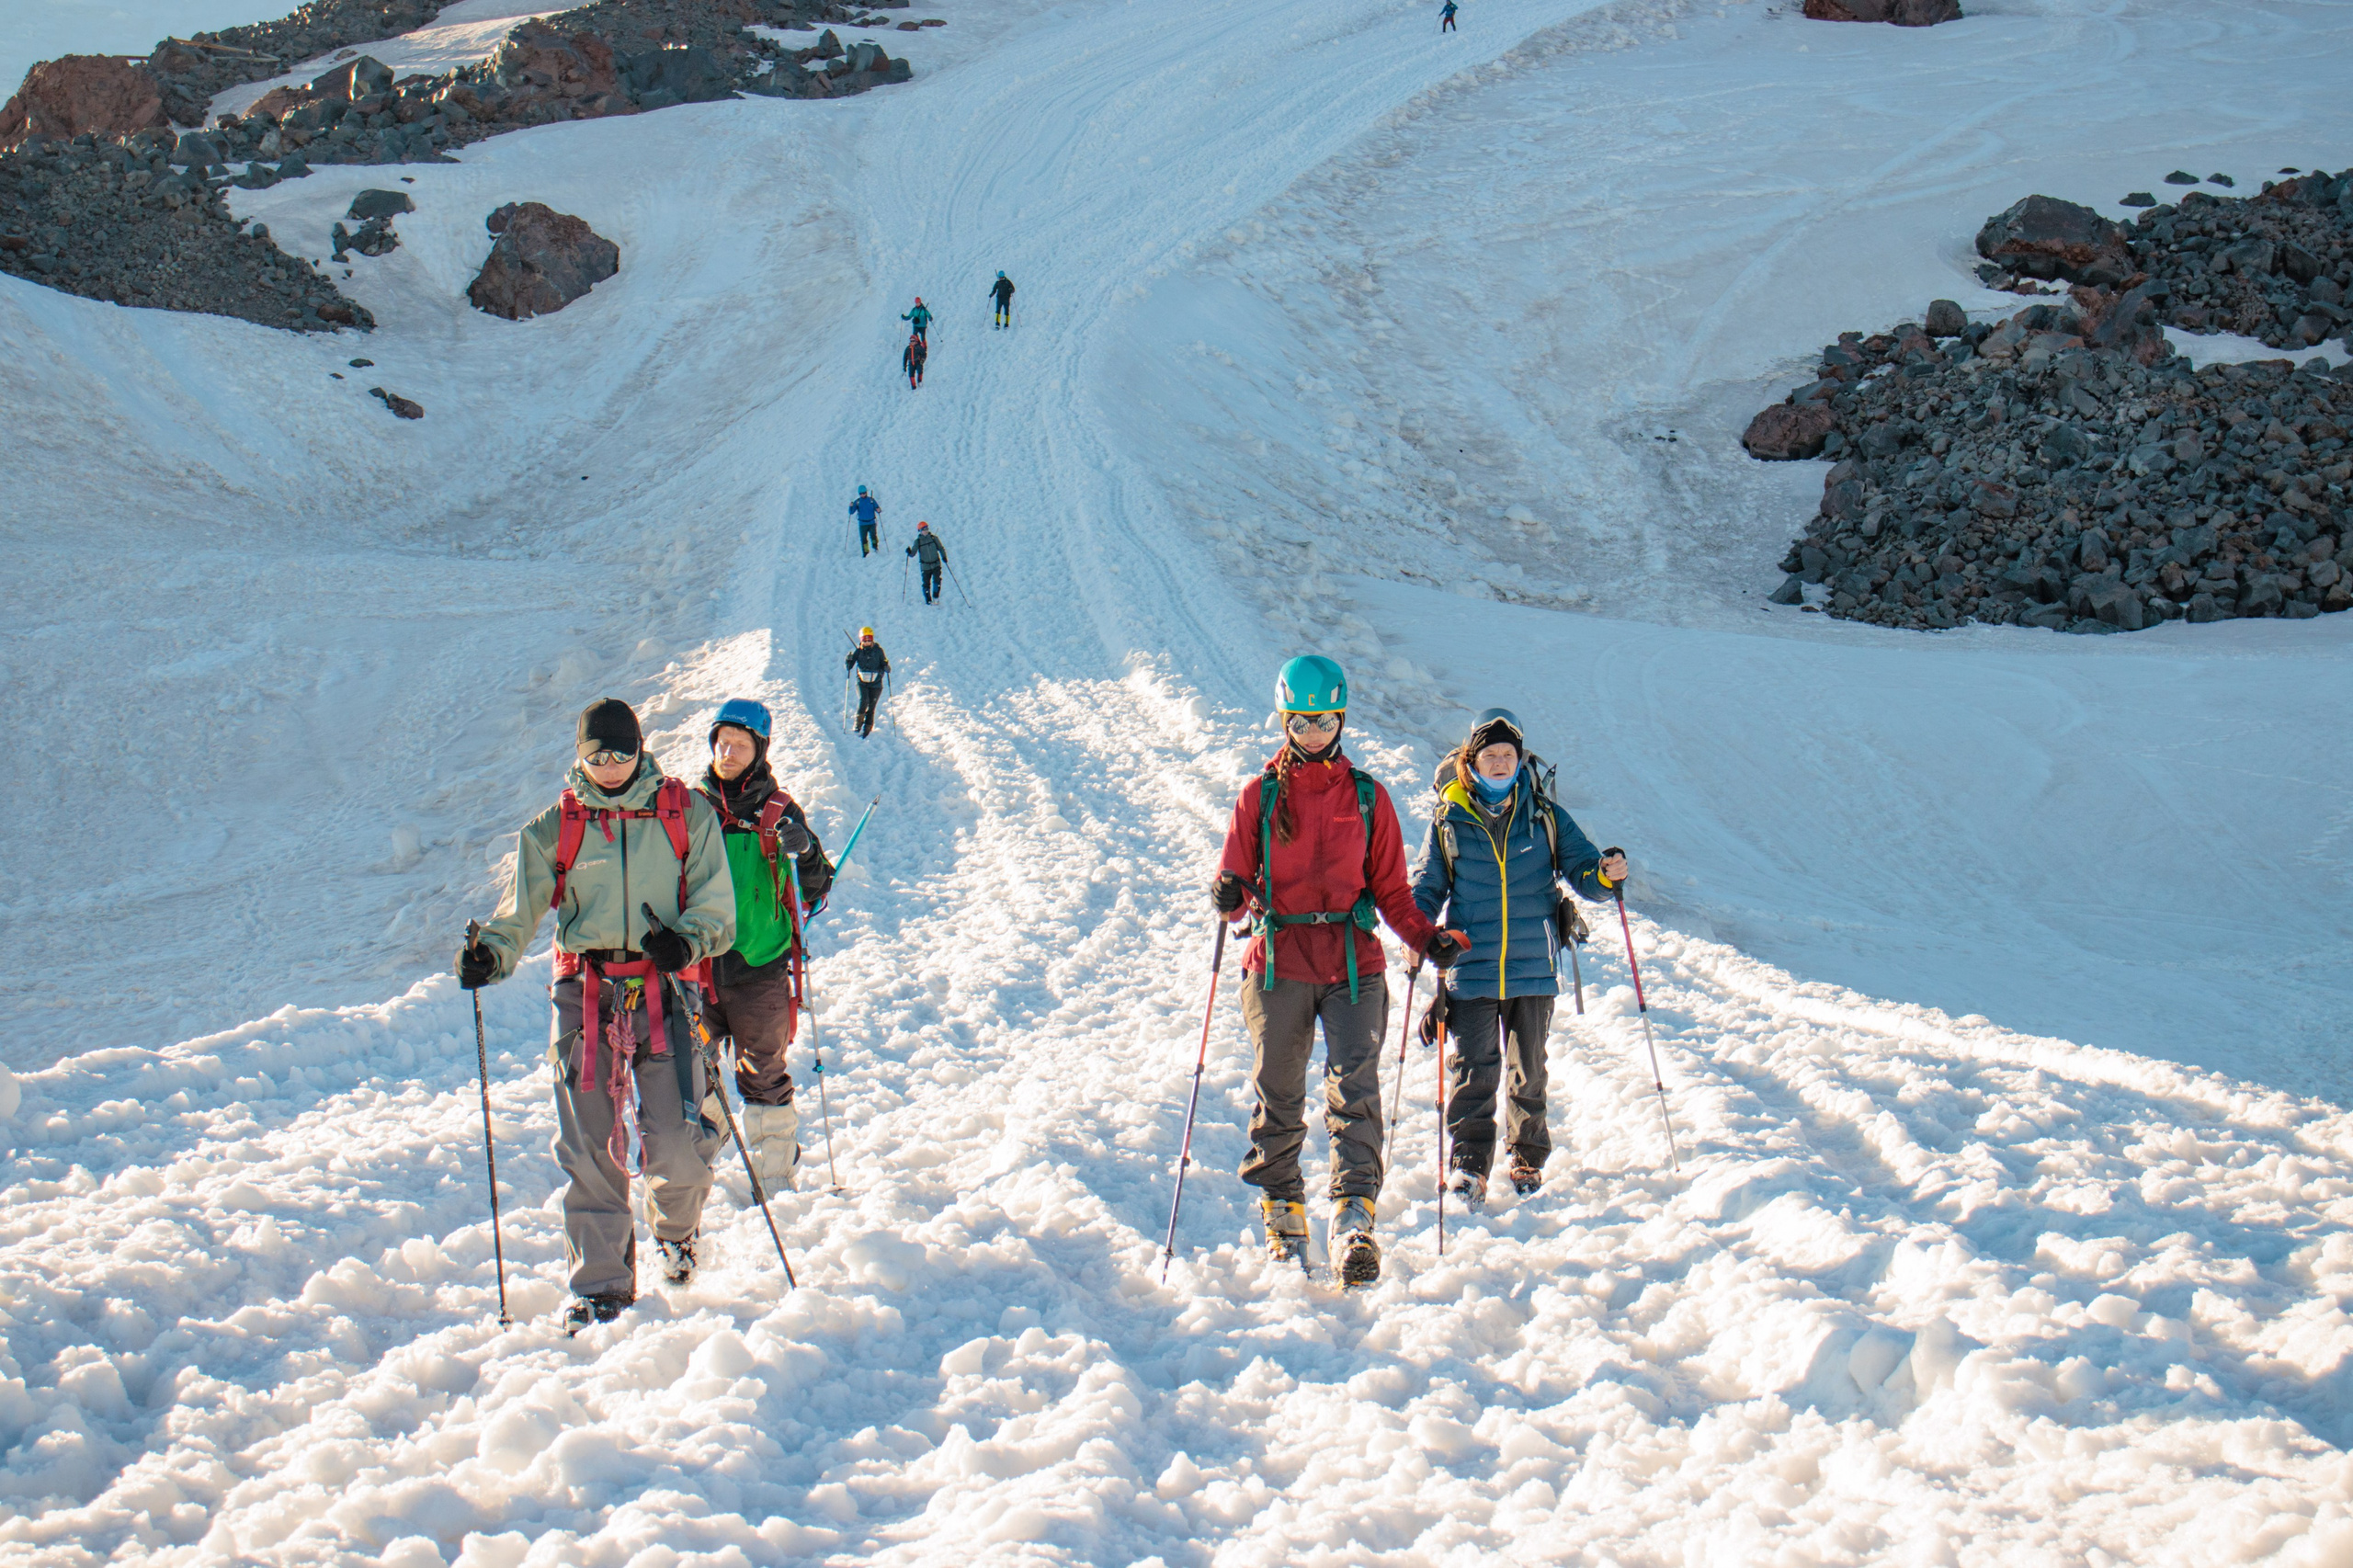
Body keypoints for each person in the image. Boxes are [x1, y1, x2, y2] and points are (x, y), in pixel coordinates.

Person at [456, 699, 734, 1333]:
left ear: (641, 748)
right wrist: (488, 956)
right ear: (580, 756)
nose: (609, 768)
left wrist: (688, 940)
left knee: (679, 1140)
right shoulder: (557, 827)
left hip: (666, 986)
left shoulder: (685, 813)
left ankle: (677, 1231)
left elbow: (718, 905)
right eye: (596, 756)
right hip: (586, 992)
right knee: (590, 1145)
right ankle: (602, 1285)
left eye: (620, 753)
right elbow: (518, 914)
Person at [1211, 655, 1463, 1287]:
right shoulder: (1259, 796)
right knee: (1280, 1086)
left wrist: (1428, 941)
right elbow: (1237, 888)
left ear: (1342, 718)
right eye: (1302, 721)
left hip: (1354, 963)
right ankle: (1284, 1207)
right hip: (1278, 962)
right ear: (1285, 721)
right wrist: (1228, 896)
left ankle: (1354, 1214)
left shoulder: (1368, 797)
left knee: (1356, 1088)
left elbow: (1392, 893)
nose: (1315, 732)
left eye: (1325, 720)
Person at [1411, 708, 1624, 1202]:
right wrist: (1416, 930)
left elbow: (1584, 870)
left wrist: (1606, 875)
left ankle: (1527, 1157)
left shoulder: (1545, 815)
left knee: (1530, 1070)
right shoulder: (1450, 816)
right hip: (1471, 967)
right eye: (1491, 755)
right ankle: (1469, 1165)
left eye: (1509, 755)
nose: (1501, 763)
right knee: (1474, 1072)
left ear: (1520, 758)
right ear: (1473, 760)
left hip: (1532, 967)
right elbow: (1427, 884)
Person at [697, 699, 835, 1194]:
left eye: (740, 743)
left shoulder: (779, 811)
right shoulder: (691, 809)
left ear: (759, 749)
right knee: (689, 1067)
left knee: (764, 1074)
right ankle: (704, 1146)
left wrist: (806, 850)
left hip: (761, 966)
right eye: (721, 741)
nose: (728, 751)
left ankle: (775, 1174)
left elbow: (818, 887)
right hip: (698, 967)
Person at [845, 627, 890, 737]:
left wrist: (886, 667)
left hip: (876, 683)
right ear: (861, 640)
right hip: (862, 682)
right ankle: (857, 726)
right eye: (864, 640)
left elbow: (884, 663)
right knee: (863, 701)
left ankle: (867, 729)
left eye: (869, 640)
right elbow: (849, 667)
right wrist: (848, 660)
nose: (867, 643)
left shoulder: (878, 651)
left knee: (871, 706)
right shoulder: (858, 652)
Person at [907, 520, 949, 605]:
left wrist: (944, 556)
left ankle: (936, 596)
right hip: (925, 566)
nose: (926, 531)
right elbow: (913, 553)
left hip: (936, 564)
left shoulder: (934, 538)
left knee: (937, 581)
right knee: (926, 584)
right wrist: (909, 552)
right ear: (920, 531)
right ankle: (928, 600)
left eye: (927, 528)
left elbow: (941, 548)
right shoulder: (918, 541)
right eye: (923, 529)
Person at [849, 485, 881, 557]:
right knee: (864, 539)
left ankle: (875, 547)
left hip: (871, 522)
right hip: (862, 524)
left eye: (863, 493)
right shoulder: (857, 502)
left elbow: (878, 508)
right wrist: (851, 506)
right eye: (861, 493)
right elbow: (851, 512)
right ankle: (865, 552)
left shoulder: (871, 500)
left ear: (866, 492)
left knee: (873, 536)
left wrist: (878, 510)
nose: (862, 495)